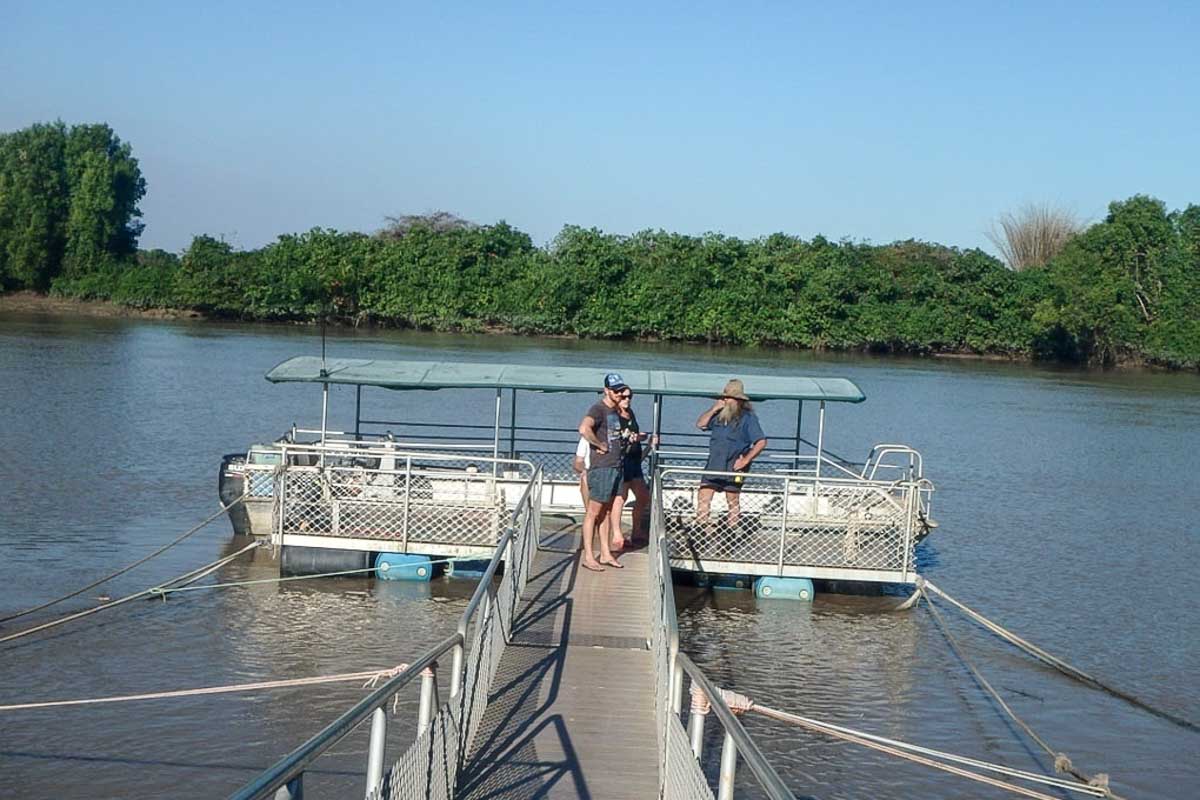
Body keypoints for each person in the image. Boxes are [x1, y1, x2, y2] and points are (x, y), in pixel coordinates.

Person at [695, 379, 767, 530]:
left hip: (735, 466)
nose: (724, 400)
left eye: (727, 398)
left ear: (737, 400)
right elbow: (700, 424)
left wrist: (745, 461)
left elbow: (761, 442)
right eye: (723, 398)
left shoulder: (748, 418)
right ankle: (700, 531)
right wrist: (714, 409)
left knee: (732, 499)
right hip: (714, 463)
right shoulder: (719, 415)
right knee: (703, 496)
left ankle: (730, 534)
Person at [576, 372, 628, 571]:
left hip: (615, 466)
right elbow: (584, 428)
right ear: (606, 390)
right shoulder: (598, 409)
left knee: (606, 512)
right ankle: (589, 556)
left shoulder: (614, 411)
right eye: (615, 391)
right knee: (593, 512)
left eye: (620, 390)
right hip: (602, 467)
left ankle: (605, 554)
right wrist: (598, 444)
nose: (619, 394)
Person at [614, 386, 656, 547]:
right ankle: (617, 534)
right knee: (621, 497)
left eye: (630, 397)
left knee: (643, 496)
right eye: (623, 397)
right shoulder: (614, 416)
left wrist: (647, 444)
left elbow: (635, 438)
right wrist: (633, 438)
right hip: (622, 462)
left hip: (634, 461)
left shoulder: (630, 413)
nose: (627, 399)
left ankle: (636, 530)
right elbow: (616, 438)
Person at [573, 433, 624, 551]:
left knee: (605, 513)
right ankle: (588, 551)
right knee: (592, 513)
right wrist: (584, 471)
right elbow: (577, 462)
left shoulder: (615, 439)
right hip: (592, 477)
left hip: (607, 477)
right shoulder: (587, 438)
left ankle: (604, 550)